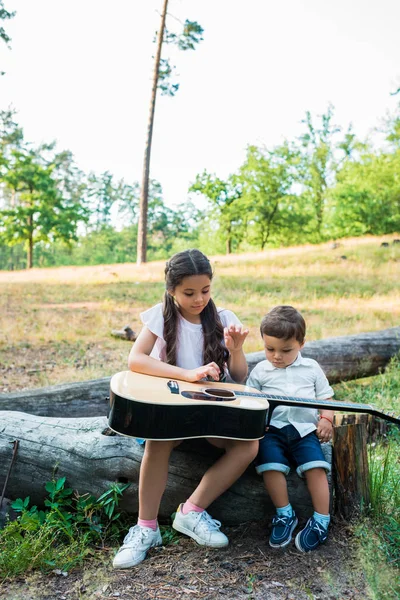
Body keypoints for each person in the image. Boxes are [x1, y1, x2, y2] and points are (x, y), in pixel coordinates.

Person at [113, 249, 258, 569]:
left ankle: (192, 511)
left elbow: (240, 376)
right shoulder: (159, 318)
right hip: (172, 411)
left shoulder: (224, 319)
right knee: (157, 441)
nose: (199, 299)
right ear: (171, 291)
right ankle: (146, 527)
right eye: (189, 293)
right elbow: (135, 360)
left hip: (211, 415)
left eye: (205, 290)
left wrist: (236, 351)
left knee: (249, 446)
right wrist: (186, 374)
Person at [247, 305, 334, 553]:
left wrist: (326, 420)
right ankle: (285, 514)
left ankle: (321, 520)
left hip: (305, 431)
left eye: (286, 350)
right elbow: (251, 399)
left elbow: (327, 399)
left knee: (316, 468)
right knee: (270, 467)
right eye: (269, 349)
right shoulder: (261, 371)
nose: (276, 356)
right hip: (271, 430)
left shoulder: (312, 369)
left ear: (301, 344)